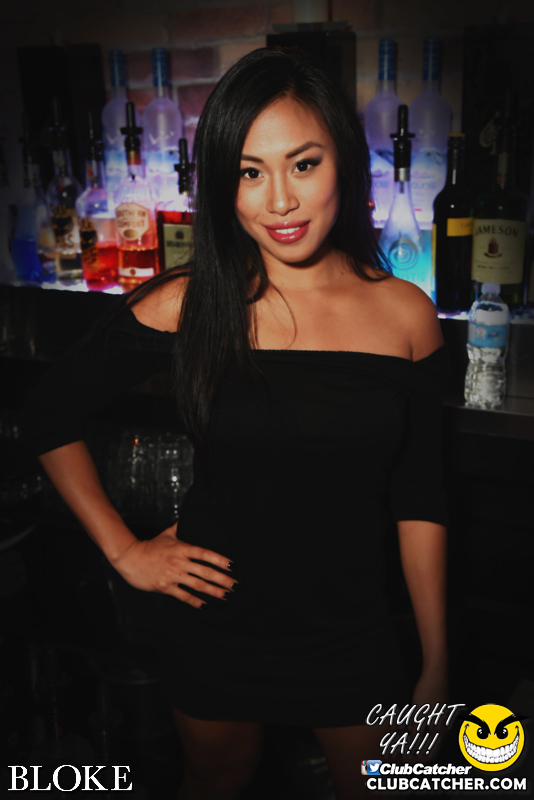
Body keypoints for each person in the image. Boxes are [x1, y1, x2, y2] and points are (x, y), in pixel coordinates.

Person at [24, 48, 448, 800]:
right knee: (216, 782)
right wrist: (125, 552)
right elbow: (48, 413)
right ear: (224, 183)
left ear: (344, 163)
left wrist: (438, 658)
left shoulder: (406, 315)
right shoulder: (190, 301)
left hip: (353, 631)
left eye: (303, 164)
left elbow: (421, 494)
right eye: (250, 172)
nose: (279, 200)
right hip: (217, 626)